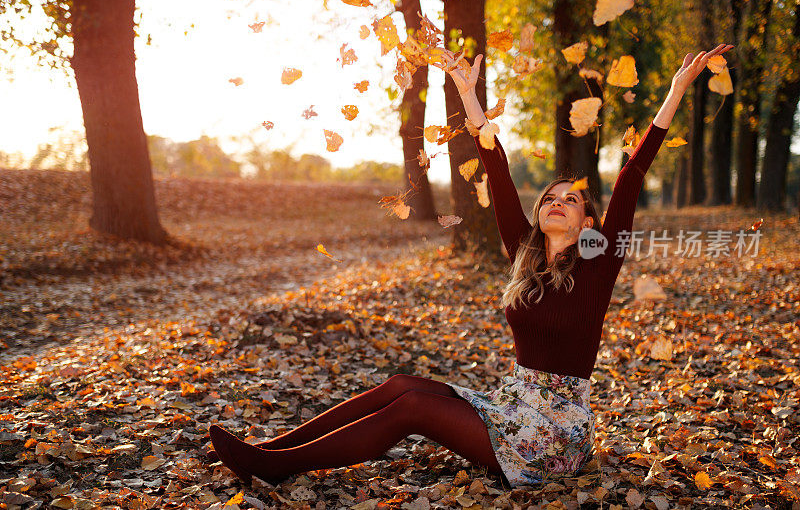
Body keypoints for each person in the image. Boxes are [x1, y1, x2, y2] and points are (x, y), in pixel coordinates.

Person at [208, 43, 735, 488]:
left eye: (572, 200)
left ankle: (275, 468)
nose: (558, 201)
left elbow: (631, 174)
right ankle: (271, 449)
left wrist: (677, 90)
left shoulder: (598, 264)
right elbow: (496, 168)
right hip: (512, 406)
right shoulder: (524, 256)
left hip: (553, 433)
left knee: (413, 409)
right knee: (399, 384)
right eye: (550, 197)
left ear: (589, 223)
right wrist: (466, 95)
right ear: (537, 213)